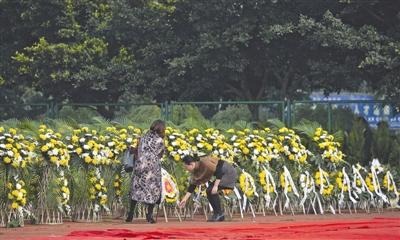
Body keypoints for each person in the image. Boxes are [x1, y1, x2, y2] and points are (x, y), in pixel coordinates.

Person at [126, 120, 166, 224]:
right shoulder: (160, 141)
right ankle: (149, 216)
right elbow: (160, 155)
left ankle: (130, 215)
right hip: (152, 169)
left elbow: (137, 151)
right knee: (152, 191)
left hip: (140, 166)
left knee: (136, 190)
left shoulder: (142, 138)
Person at [179, 155, 238, 222]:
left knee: (210, 190)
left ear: (192, 164)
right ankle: (218, 214)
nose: (185, 169)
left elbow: (219, 171)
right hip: (221, 174)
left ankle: (219, 214)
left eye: (186, 167)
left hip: (228, 172)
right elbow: (193, 185)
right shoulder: (196, 170)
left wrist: (215, 186)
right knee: (209, 191)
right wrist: (185, 199)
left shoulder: (204, 162)